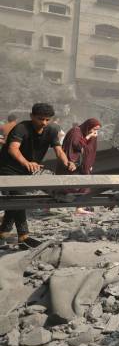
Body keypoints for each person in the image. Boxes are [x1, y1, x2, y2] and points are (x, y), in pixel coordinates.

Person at [0, 103, 76, 248]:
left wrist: (67, 162)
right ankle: (24, 236)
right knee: (19, 197)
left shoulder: (52, 130)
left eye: (47, 120)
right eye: (40, 119)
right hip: (9, 168)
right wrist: (26, 162)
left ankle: (3, 233)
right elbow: (13, 149)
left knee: (14, 201)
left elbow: (58, 150)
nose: (44, 123)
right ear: (32, 116)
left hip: (28, 169)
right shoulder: (22, 128)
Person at [56, 118, 101, 215]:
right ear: (88, 126)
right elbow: (76, 146)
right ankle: (48, 206)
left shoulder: (88, 133)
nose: (95, 132)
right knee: (64, 187)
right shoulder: (75, 132)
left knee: (85, 185)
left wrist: (89, 164)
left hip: (81, 164)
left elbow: (90, 150)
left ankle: (79, 207)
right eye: (94, 129)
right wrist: (88, 136)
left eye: (97, 130)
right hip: (70, 163)